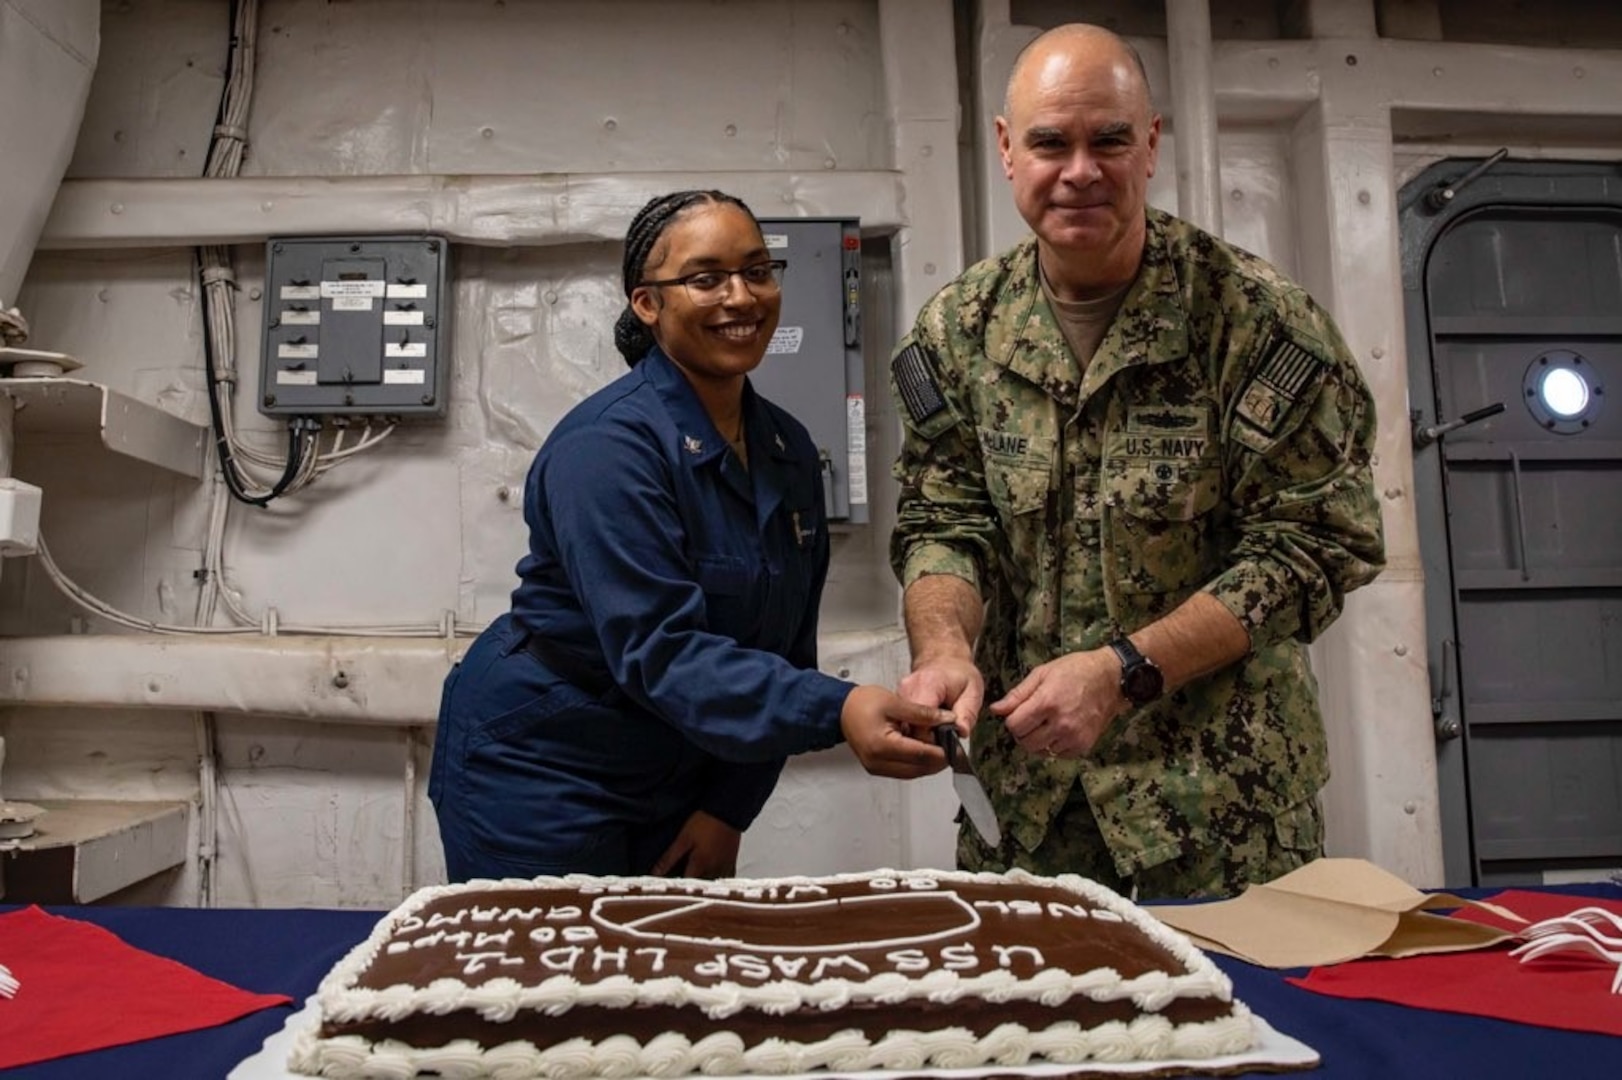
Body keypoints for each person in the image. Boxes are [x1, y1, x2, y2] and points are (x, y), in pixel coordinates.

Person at [887, 24, 1386, 899]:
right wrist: (944, 648)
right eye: (1050, 141)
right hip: (1028, 822)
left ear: (1150, 143)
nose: (1079, 170)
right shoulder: (958, 331)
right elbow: (942, 519)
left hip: (1221, 820)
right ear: (1007, 150)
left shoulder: (1254, 320)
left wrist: (1124, 671)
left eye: (1108, 139)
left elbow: (1315, 545)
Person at [431, 190, 948, 882]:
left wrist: (730, 806)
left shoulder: (787, 448)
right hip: (543, 763)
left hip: (678, 761)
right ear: (648, 304)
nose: (742, 297)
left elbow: (782, 646)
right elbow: (662, 651)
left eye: (758, 271)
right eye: (706, 279)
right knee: (559, 982)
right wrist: (842, 708)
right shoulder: (608, 450)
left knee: (672, 974)